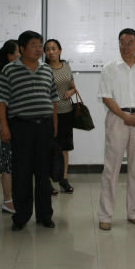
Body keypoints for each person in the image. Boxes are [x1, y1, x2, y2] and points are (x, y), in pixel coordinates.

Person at [0, 31, 59, 231]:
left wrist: (54, 126)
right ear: (22, 48)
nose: (39, 49)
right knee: (21, 174)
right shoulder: (9, 70)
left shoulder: (46, 69)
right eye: (34, 45)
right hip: (21, 127)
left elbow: (53, 100)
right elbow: (1, 100)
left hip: (44, 127)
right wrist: (4, 127)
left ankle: (45, 215)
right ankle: (21, 217)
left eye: (40, 45)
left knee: (43, 173)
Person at [97, 28, 135, 231]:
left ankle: (134, 213)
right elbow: (106, 97)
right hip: (117, 119)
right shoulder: (109, 68)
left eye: (130, 43)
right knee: (111, 168)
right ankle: (105, 215)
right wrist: (124, 116)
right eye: (122, 42)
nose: (125, 46)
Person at [45, 39, 77, 194]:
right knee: (48, 148)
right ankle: (47, 181)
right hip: (49, 114)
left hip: (66, 113)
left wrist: (70, 91)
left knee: (64, 148)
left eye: (54, 48)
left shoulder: (66, 67)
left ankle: (64, 179)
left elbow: (73, 87)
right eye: (47, 49)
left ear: (60, 50)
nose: (51, 52)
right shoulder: (43, 69)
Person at [0, 39, 20, 213]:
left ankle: (15, 198)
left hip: (19, 125)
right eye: (19, 52)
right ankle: (7, 200)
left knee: (16, 163)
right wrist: (4, 126)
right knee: (8, 163)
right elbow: (2, 102)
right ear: (10, 56)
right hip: (9, 125)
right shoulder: (7, 74)